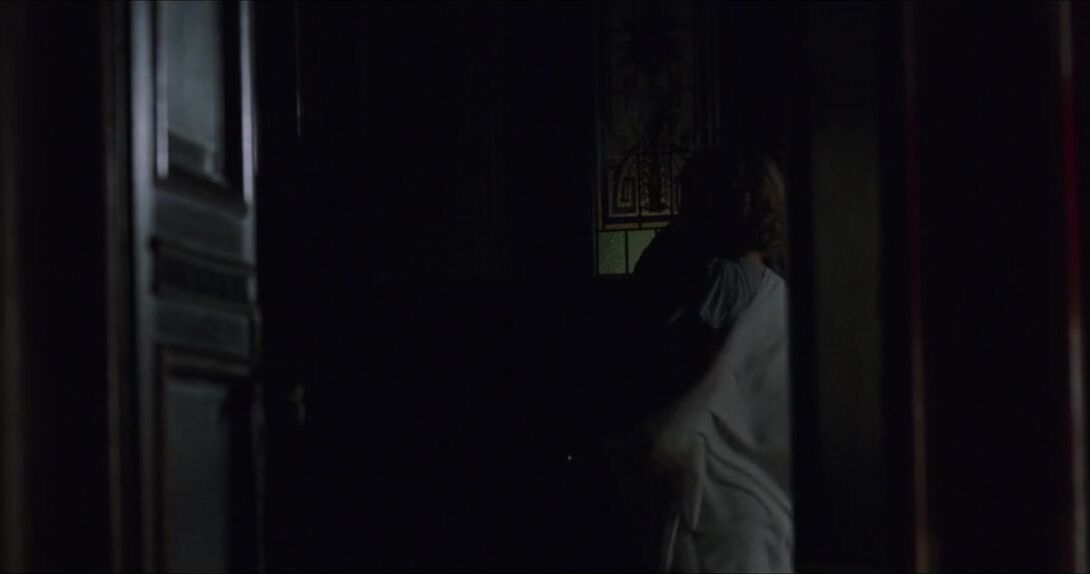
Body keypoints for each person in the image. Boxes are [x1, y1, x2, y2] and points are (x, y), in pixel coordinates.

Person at [632, 146, 792, 573]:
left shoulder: (721, 282)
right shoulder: (777, 288)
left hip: (717, 480)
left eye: (689, 196)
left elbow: (697, 378)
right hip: (766, 484)